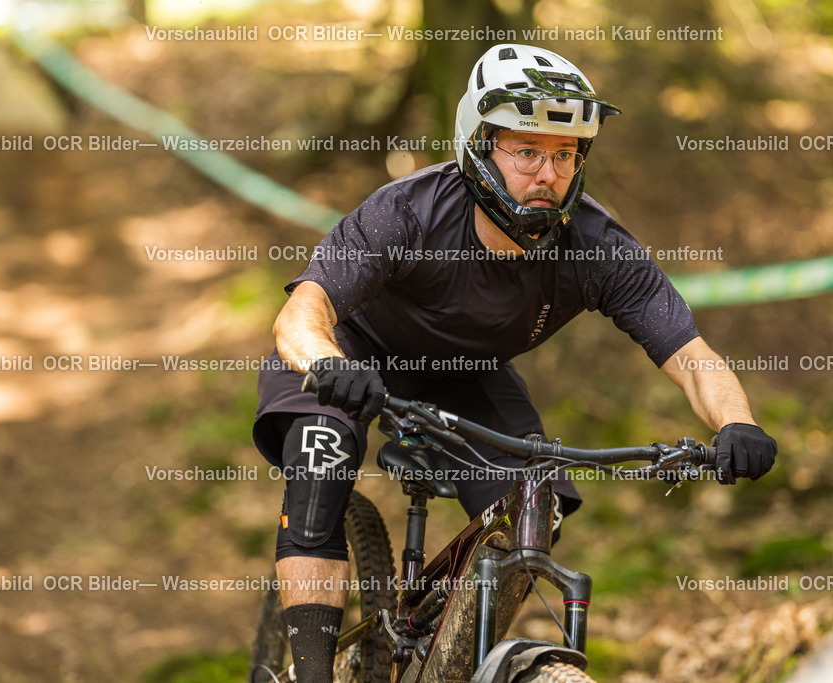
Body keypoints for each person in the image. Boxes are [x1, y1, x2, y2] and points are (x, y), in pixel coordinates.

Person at [252, 43, 777, 681]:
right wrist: (327, 363)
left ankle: (451, 660)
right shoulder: (407, 212)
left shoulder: (596, 246)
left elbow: (691, 357)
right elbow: (302, 314)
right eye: (525, 151)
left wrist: (736, 425)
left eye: (563, 154)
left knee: (537, 502)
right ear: (477, 145)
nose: (547, 172)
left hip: (468, 372)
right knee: (320, 460)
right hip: (352, 353)